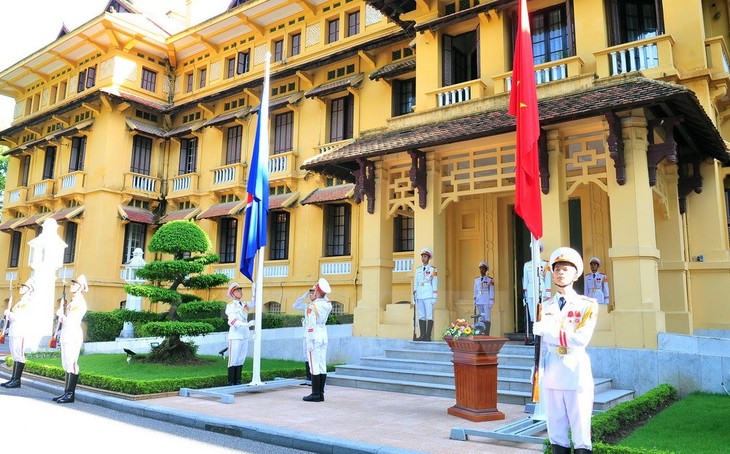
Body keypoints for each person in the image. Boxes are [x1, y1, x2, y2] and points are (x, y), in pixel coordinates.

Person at [533, 247, 598, 454]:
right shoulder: (544, 306)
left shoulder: (587, 305)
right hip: (552, 371)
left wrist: (547, 331)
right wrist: (537, 370)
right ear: (552, 274)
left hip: (575, 371)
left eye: (566, 269)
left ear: (576, 274)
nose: (561, 272)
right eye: (557, 269)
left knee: (581, 436)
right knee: (556, 434)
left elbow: (580, 338)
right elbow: (542, 347)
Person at [53, 275, 89, 404]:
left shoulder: (80, 302)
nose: (71, 285)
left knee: (72, 364)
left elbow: (72, 321)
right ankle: (66, 392)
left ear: (81, 287)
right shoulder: (73, 301)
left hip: (73, 335)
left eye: (75, 284)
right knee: (66, 364)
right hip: (66, 335)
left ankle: (70, 394)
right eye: (72, 283)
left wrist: (61, 315)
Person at [303, 278, 333, 402]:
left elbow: (310, 326)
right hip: (323, 335)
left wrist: (309, 341)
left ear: (318, 292)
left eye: (315, 290)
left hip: (314, 336)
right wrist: (322, 293)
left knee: (314, 365)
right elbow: (325, 298)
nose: (313, 292)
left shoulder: (313, 306)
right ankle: (321, 393)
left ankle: (315, 393)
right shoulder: (328, 305)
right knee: (321, 364)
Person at [1, 278, 35, 389]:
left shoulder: (27, 302)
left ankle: (17, 380)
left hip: (20, 331)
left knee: (19, 355)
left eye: (23, 287)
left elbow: (19, 317)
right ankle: (13, 379)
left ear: (29, 289)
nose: (21, 288)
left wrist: (9, 314)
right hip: (14, 331)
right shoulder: (21, 302)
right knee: (15, 355)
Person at [225, 282, 254, 386]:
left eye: (240, 290)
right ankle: (231, 381)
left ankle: (238, 380)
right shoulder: (230, 306)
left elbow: (254, 302)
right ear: (232, 294)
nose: (240, 292)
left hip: (245, 335)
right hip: (236, 334)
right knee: (233, 358)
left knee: (241, 357)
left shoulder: (244, 303)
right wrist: (246, 325)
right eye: (237, 290)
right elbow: (233, 321)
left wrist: (254, 290)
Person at [523, 241, 551, 344]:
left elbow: (547, 280)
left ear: (540, 250)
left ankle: (542, 338)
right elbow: (525, 281)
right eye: (532, 249)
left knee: (541, 315)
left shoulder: (545, 264)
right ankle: (535, 338)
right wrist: (525, 295)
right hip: (530, 292)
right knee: (533, 316)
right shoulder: (527, 265)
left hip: (541, 292)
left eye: (536, 249)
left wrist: (547, 294)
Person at [293, 285, 317, 385]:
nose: (311, 294)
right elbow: (295, 305)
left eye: (313, 292)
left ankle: (313, 378)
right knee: (305, 355)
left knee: (313, 355)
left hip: (314, 334)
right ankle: (308, 378)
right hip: (305, 333)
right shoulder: (307, 305)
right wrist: (305, 295)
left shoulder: (317, 305)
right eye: (310, 293)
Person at [413, 247, 438, 341]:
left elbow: (435, 283)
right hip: (420, 294)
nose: (423, 258)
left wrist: (434, 297)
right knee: (421, 315)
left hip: (428, 294)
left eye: (425, 256)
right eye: (422, 256)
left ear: (428, 258)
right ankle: (422, 335)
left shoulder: (433, 270)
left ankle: (428, 336)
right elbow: (416, 283)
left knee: (429, 315)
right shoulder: (418, 270)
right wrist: (414, 296)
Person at [473, 261, 495, 335]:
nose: (481, 271)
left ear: (486, 270)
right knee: (481, 317)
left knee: (487, 317)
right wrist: (475, 299)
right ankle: (481, 332)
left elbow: (491, 290)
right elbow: (475, 290)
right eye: (480, 269)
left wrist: (491, 300)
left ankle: (486, 333)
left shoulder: (490, 279)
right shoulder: (476, 280)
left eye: (483, 269)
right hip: (479, 299)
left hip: (486, 299)